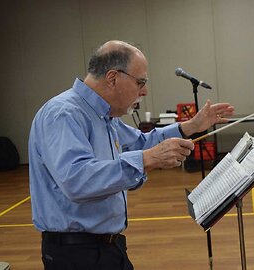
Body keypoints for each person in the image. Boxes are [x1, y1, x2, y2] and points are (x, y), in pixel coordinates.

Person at [28, 40, 235, 270]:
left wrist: (191, 126)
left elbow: (140, 142)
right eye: (140, 82)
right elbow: (77, 180)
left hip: (108, 247)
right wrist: (148, 158)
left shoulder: (104, 116)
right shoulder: (64, 114)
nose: (144, 91)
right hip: (76, 254)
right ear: (113, 77)